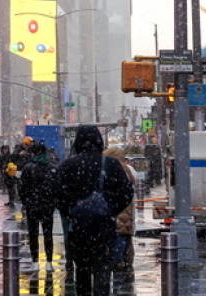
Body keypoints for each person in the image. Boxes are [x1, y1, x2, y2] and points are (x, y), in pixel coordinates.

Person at [55, 125, 134, 296]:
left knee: (82, 272)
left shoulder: (67, 166)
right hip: (104, 228)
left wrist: (72, 211)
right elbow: (127, 192)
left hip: (78, 229)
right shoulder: (111, 164)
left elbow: (57, 195)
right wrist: (110, 210)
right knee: (102, 272)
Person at [19, 142, 58, 272]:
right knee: (48, 234)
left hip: (33, 206)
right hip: (47, 206)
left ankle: (35, 261)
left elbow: (22, 188)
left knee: (33, 234)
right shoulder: (51, 168)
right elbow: (56, 188)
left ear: (33, 153)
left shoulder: (28, 168)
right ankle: (49, 262)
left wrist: (27, 201)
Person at [103, 146, 138, 281]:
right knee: (124, 235)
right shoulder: (128, 170)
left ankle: (117, 261)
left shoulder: (111, 170)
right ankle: (125, 260)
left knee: (119, 235)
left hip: (117, 209)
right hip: (126, 208)